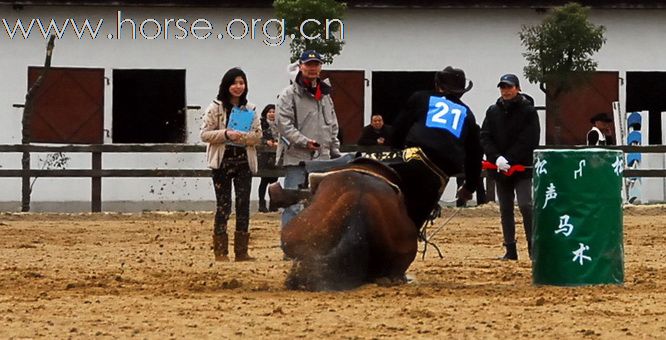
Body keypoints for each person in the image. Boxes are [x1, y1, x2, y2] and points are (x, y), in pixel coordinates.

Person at [391, 66, 483, 229]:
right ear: (461, 92)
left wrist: (395, 149)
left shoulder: (420, 98)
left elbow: (399, 129)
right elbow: (474, 156)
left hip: (414, 155)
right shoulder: (467, 115)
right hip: (441, 169)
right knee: (419, 215)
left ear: (437, 85)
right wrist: (469, 187)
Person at [200, 67, 262, 262]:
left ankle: (242, 252)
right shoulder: (215, 108)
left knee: (243, 205)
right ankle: (220, 251)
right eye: (234, 83)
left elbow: (258, 136)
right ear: (226, 85)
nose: (238, 87)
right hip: (222, 162)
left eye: (241, 83)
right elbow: (204, 134)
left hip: (244, 161)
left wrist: (244, 137)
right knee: (224, 205)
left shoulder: (251, 109)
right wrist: (226, 134)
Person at [275, 49, 341, 229]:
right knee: (293, 203)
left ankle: (314, 246)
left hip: (323, 159)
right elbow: (283, 124)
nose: (312, 68)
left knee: (321, 203)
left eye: (316, 64)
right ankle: (290, 245)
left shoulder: (325, 95)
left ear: (320, 68)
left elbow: (332, 124)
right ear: (300, 66)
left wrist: (335, 150)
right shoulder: (288, 94)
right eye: (308, 64)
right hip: (298, 157)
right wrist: (305, 142)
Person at [480, 73, 540, 261]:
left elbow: (529, 139)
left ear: (518, 88)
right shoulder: (492, 111)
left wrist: (510, 159)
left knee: (525, 205)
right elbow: (485, 135)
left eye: (509, 87)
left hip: (522, 167)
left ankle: (533, 247)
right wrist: (496, 158)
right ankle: (510, 249)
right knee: (505, 208)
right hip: (499, 168)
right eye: (503, 87)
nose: (506, 91)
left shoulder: (529, 111)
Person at [257, 104, 279, 212]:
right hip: (264, 156)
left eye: (274, 111)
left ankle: (273, 203)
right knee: (264, 180)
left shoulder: (280, 124)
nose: (271, 114)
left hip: (276, 155)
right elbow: (258, 137)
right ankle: (262, 203)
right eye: (269, 112)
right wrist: (266, 142)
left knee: (274, 180)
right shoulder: (261, 124)